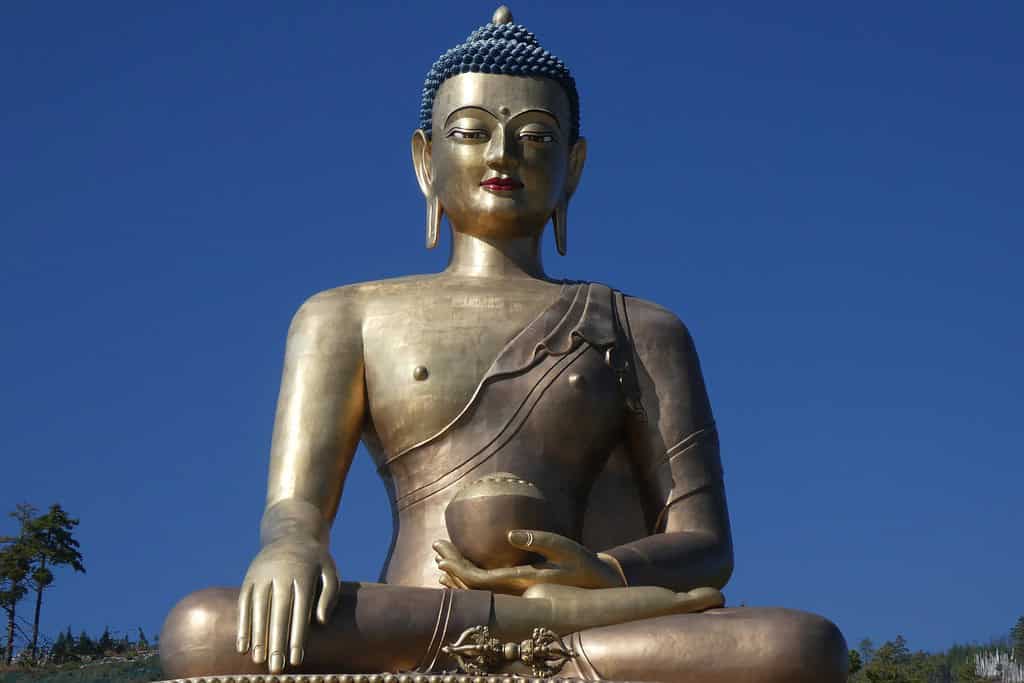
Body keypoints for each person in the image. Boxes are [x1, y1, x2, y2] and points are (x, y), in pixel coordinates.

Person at [160, 8, 848, 682]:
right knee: (202, 627)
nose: (502, 155)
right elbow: (296, 505)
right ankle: (529, 636)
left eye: (536, 137)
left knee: (797, 643)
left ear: (573, 167)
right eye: (471, 132)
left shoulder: (643, 327)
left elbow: (705, 545)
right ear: (425, 160)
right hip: (423, 609)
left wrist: (604, 574)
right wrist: (289, 546)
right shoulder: (345, 316)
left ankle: (535, 633)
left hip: (585, 611)